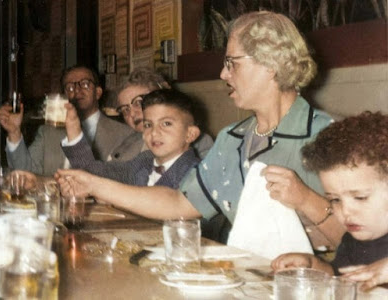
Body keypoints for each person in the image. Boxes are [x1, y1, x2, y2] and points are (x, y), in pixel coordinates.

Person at [56, 11, 344, 249]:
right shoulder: (233, 138)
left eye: (232, 63)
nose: (223, 74)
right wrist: (92, 184)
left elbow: (364, 243)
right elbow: (179, 202)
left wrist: (306, 199)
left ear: (270, 63)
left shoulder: (328, 136)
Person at [271, 111, 388, 291]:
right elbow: (340, 277)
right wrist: (312, 266)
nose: (345, 211)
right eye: (335, 200)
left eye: (360, 197)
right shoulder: (353, 241)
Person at [0, 65, 142, 176]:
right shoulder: (48, 133)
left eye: (85, 84)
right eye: (70, 87)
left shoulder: (125, 134)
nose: (77, 90)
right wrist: (14, 132)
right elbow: (25, 174)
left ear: (98, 92)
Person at [61, 89, 201, 188]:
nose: (154, 132)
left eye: (166, 124)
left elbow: (159, 203)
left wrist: (104, 191)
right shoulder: (144, 161)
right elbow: (96, 172)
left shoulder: (197, 174)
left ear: (190, 134)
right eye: (148, 125)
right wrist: (74, 128)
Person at [116, 67, 214, 159]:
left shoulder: (199, 144)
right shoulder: (127, 144)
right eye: (125, 110)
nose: (132, 114)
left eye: (138, 103)